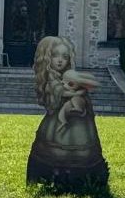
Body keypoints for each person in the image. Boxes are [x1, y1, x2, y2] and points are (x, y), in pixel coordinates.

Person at [26, 36, 109, 187]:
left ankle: (85, 181)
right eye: (55, 55)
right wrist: (76, 93)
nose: (60, 60)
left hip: (78, 121)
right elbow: (60, 92)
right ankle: (52, 179)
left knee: (81, 143)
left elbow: (90, 83)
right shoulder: (50, 77)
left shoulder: (67, 75)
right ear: (47, 58)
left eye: (64, 57)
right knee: (55, 146)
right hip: (57, 120)